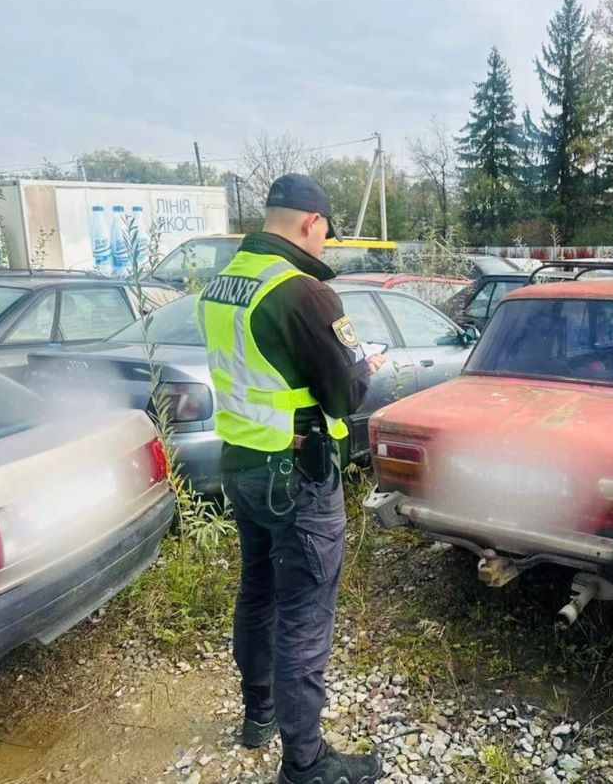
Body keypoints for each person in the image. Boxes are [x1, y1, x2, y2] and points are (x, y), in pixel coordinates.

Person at [197, 174, 385, 784]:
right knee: (304, 614)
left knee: (258, 593)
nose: (326, 244)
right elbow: (345, 393)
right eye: (328, 231)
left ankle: (260, 716)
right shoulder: (303, 292)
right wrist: (363, 366)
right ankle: (305, 762)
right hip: (298, 476)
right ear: (311, 222)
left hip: (242, 467)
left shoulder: (222, 284)